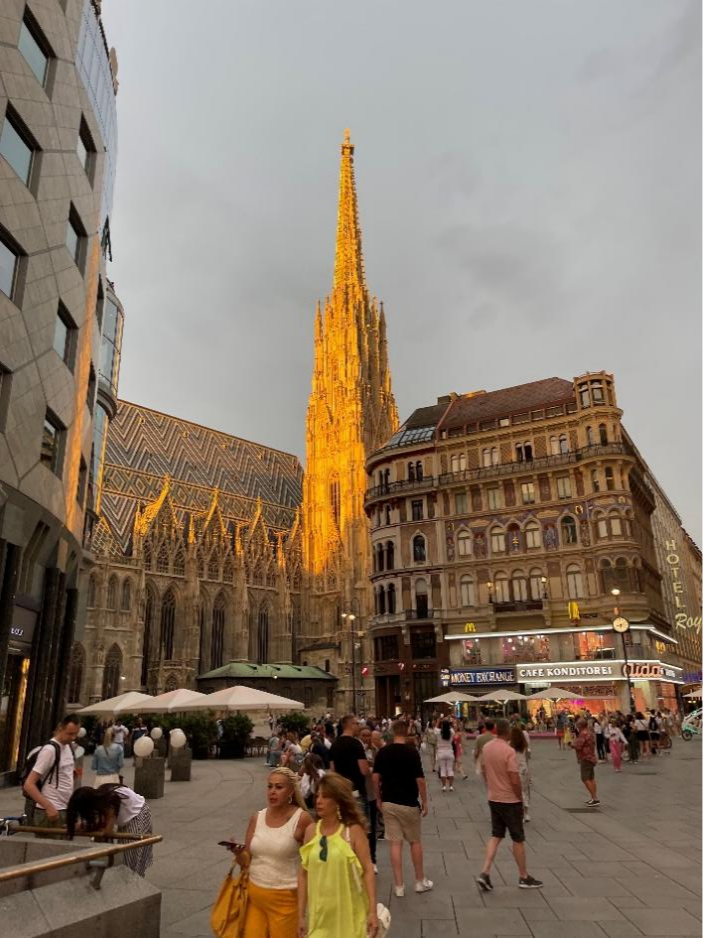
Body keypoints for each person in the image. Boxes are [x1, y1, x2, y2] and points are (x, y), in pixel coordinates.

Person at [233, 768, 312, 938]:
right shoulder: (257, 817)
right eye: (269, 787)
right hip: (255, 895)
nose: (272, 792)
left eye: (279, 787)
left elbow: (311, 865)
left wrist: (304, 913)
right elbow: (247, 860)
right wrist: (238, 853)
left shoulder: (302, 819)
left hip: (286, 899)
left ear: (291, 791)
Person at [299, 773, 377, 938]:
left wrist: (372, 911)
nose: (319, 801)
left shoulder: (353, 832)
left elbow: (368, 870)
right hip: (319, 918)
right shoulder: (311, 831)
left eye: (325, 796)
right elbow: (303, 874)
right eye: (318, 795)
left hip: (349, 917)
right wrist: (301, 915)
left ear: (338, 801)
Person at [476, 718, 542, 892]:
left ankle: (485, 871)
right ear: (508, 732)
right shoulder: (509, 751)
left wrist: (490, 785)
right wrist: (520, 797)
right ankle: (523, 876)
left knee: (496, 835)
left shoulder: (487, 747)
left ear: (496, 730)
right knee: (517, 838)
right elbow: (514, 779)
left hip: (494, 797)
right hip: (510, 800)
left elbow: (483, 770)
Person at [372, 719, 433, 898]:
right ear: (406, 732)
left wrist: (378, 798)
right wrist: (425, 801)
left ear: (392, 732)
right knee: (414, 841)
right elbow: (420, 780)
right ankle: (419, 881)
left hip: (389, 802)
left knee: (395, 843)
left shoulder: (383, 752)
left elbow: (375, 778)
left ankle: (399, 885)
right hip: (408, 802)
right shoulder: (412, 752)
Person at [66, 784, 154, 876]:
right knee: (124, 857)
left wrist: (90, 827)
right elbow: (100, 822)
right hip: (127, 818)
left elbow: (107, 831)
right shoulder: (101, 798)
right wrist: (81, 825)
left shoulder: (109, 800)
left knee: (131, 859)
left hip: (137, 815)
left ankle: (133, 881)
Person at [23, 715, 81, 833]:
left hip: (64, 808)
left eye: (76, 734)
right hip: (51, 810)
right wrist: (48, 807)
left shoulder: (68, 747)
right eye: (70, 733)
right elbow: (29, 784)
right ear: (61, 728)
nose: (73, 737)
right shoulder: (49, 750)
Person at [329, 715, 369, 812]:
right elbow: (364, 770)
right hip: (357, 790)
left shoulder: (334, 744)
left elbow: (332, 770)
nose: (358, 726)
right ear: (351, 725)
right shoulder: (356, 744)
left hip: (341, 790)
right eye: (357, 724)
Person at [574, 718, 600, 806]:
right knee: (591, 778)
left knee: (585, 778)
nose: (577, 726)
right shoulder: (590, 732)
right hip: (591, 756)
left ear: (580, 726)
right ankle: (594, 797)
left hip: (586, 757)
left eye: (577, 725)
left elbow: (578, 746)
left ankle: (594, 798)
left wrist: (572, 744)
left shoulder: (583, 734)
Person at [510, 726, 531, 822]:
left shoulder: (510, 745)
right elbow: (527, 758)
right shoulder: (524, 745)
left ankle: (520, 813)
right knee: (525, 791)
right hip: (524, 768)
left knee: (517, 792)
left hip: (514, 768)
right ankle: (526, 813)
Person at [436, 720, 455, 792]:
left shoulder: (438, 732)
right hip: (449, 751)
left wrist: (438, 721)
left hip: (441, 751)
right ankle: (451, 786)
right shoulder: (452, 732)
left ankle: (444, 786)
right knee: (450, 769)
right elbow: (453, 728)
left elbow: (435, 728)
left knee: (443, 769)